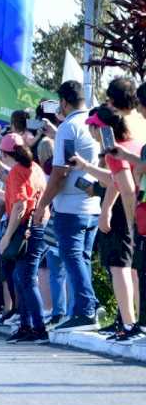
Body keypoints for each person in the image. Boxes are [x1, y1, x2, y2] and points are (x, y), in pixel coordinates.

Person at [32, 80, 102, 332]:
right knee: (80, 259)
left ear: (63, 101)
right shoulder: (96, 123)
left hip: (71, 208)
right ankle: (84, 308)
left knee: (72, 258)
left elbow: (60, 173)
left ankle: (85, 309)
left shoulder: (68, 127)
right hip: (94, 203)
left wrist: (42, 205)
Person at [71, 105, 142, 341]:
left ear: (101, 129)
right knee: (133, 270)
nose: (91, 133)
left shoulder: (114, 152)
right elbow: (114, 180)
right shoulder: (132, 146)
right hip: (132, 212)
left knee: (120, 268)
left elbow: (126, 188)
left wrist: (112, 214)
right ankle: (132, 322)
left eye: (93, 128)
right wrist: (86, 166)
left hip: (126, 214)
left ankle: (131, 324)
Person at [0, 133, 50, 344]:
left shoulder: (17, 172)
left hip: (24, 228)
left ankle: (38, 328)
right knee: (22, 277)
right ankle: (26, 326)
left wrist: (7, 236)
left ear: (4, 153)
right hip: (38, 225)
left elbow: (19, 206)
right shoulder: (34, 168)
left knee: (25, 278)